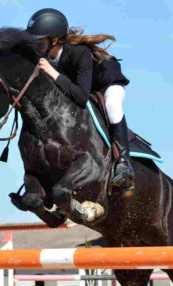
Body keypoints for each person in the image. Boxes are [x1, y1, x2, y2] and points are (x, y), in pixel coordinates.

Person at [26, 8, 134, 191]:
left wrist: (52, 72)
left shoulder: (79, 52)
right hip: (81, 86)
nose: (36, 47)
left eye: (40, 42)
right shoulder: (46, 56)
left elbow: (81, 97)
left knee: (112, 105)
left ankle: (124, 162)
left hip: (106, 84)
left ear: (55, 40)